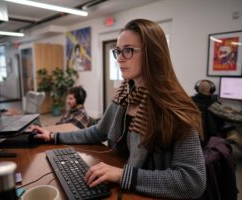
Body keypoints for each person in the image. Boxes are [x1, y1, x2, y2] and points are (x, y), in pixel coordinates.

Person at [28, 19, 206, 199]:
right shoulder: (124, 96)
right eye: (118, 51)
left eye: (128, 50)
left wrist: (123, 175)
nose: (119, 58)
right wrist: (53, 136)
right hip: (123, 187)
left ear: (153, 54)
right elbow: (98, 132)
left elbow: (193, 181)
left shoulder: (175, 108)